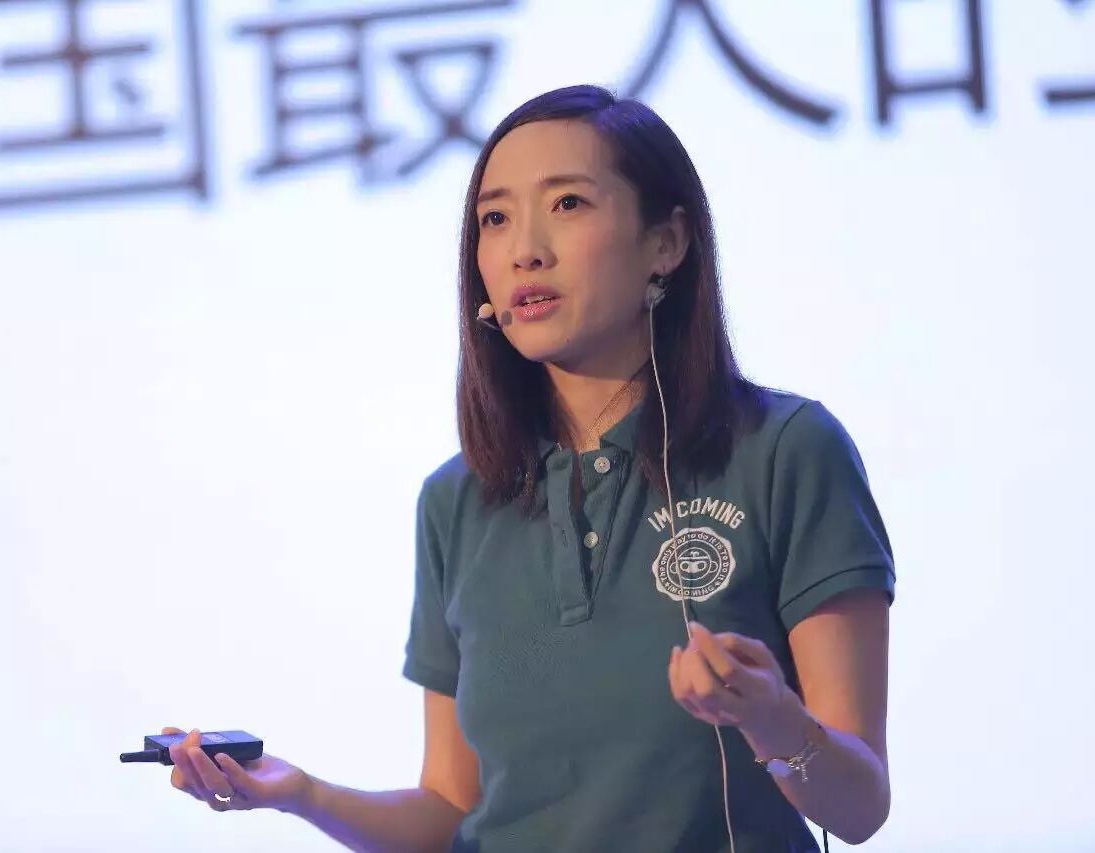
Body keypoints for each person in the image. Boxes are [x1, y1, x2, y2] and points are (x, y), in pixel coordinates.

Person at [160, 84, 895, 852]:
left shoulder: (785, 449)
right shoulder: (456, 499)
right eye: (495, 219)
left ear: (666, 243)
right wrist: (304, 795)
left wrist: (772, 717)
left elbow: (860, 806)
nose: (525, 250)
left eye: (568, 204)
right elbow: (451, 810)